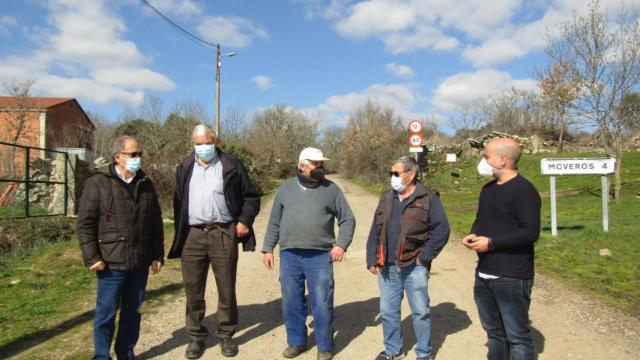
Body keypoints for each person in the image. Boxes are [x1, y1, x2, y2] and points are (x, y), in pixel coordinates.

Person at [168, 124, 260, 359]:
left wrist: (244, 221)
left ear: (216, 142)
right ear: (193, 144)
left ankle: (226, 334)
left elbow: (251, 196)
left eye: (207, 143)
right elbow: (178, 201)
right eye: (198, 144)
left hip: (223, 232)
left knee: (226, 287)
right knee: (192, 289)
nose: (203, 148)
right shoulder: (185, 166)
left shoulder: (230, 164)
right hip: (193, 234)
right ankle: (196, 336)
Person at [262, 147, 356, 360]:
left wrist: (341, 244)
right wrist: (268, 248)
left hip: (320, 256)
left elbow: (348, 219)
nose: (320, 167)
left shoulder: (331, 190)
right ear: (302, 165)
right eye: (315, 163)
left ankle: (324, 346)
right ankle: (296, 342)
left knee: (322, 300)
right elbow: (274, 222)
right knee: (292, 301)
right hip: (290, 255)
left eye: (321, 164)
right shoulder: (285, 190)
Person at [77, 135, 164, 360]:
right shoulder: (98, 183)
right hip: (110, 262)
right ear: (118, 157)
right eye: (133, 155)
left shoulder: (145, 183)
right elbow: (85, 223)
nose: (138, 159)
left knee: (132, 313)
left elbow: (155, 221)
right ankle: (101, 356)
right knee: (106, 314)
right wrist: (91, 257)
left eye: (139, 155)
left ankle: (126, 353)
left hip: (139, 261)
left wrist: (157, 255)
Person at [462, 137, 541, 360]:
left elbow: (530, 232)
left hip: (512, 277)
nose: (482, 160)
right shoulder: (487, 189)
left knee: (517, 337)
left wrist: (492, 243)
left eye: (486, 156)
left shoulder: (524, 190)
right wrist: (474, 235)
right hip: (484, 274)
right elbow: (482, 220)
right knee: (494, 333)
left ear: (503, 159)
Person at [366, 156, 450, 360]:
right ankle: (393, 350)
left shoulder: (429, 198)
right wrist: (371, 256)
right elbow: (375, 230)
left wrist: (425, 257)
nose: (392, 177)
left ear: (411, 174)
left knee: (420, 312)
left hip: (415, 266)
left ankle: (424, 353)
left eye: (396, 173)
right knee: (388, 312)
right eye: (391, 173)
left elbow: (442, 229)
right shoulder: (387, 197)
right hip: (387, 266)